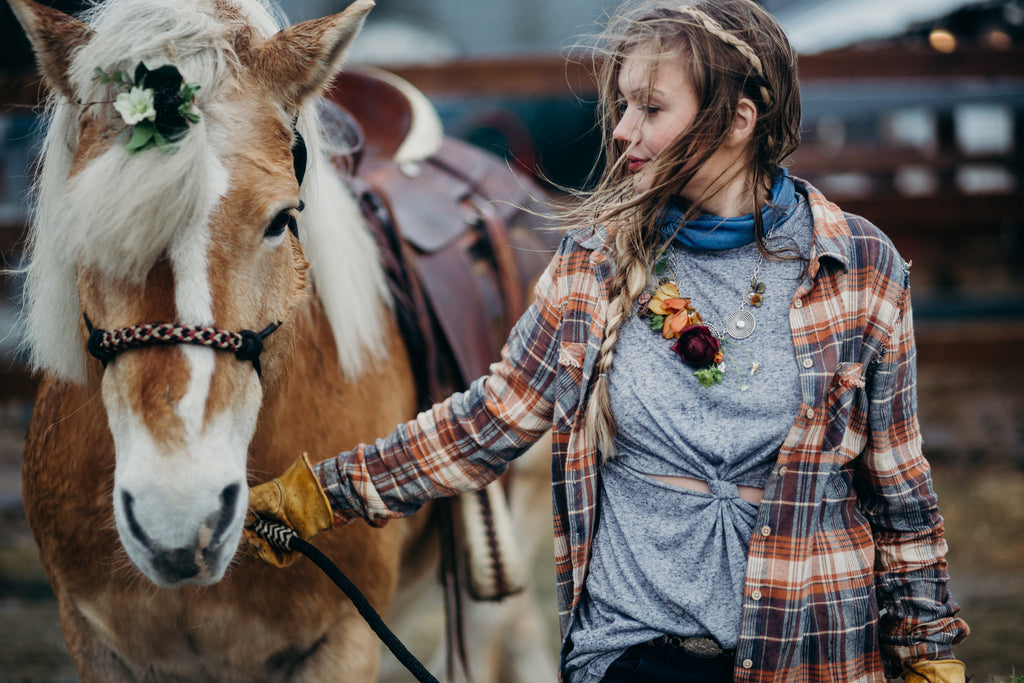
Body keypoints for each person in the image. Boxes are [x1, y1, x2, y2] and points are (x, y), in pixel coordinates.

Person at [245, 0, 970, 680]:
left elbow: (899, 489)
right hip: (631, 654)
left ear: (739, 118)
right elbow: (487, 420)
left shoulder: (861, 268)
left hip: (811, 651)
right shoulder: (597, 264)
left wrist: (929, 653)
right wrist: (322, 493)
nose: (622, 129)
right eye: (623, 105)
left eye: (651, 108)